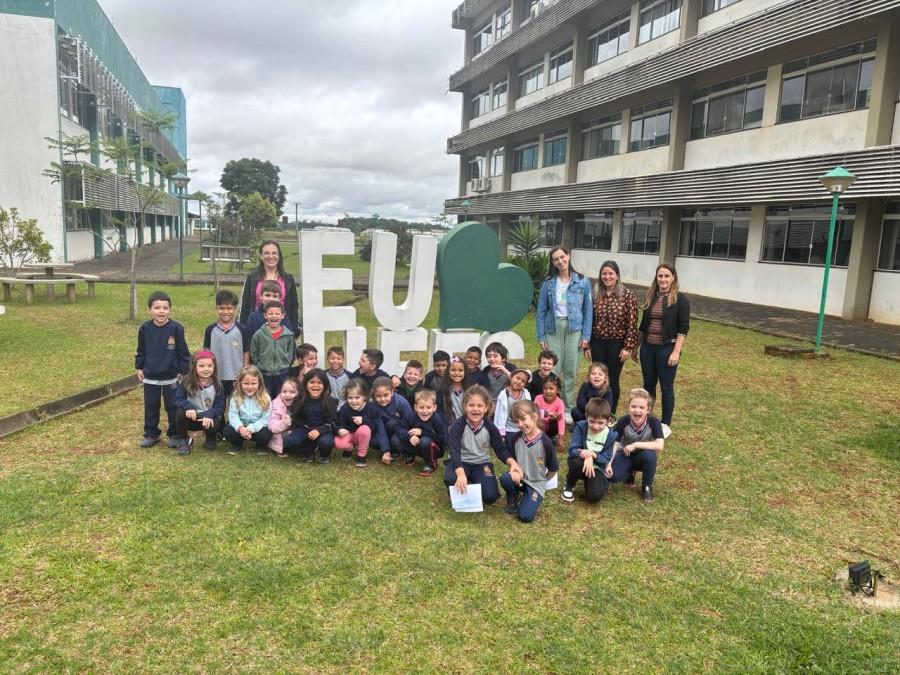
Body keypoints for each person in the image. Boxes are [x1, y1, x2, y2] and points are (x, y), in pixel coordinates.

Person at [443, 385, 521, 507]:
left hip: (481, 463)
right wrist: (461, 474)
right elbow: (454, 451)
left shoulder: (490, 427)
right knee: (451, 479)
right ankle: (461, 481)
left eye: (480, 406)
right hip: (461, 461)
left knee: (490, 497)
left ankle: (475, 479)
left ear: (486, 408)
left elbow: (500, 449)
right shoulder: (457, 426)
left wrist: (512, 463)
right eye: (471, 405)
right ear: (465, 406)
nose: (475, 409)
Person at [635, 263, 690, 433]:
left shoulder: (680, 300)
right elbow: (643, 325)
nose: (663, 279)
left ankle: (665, 424)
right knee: (648, 386)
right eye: (660, 276)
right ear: (656, 278)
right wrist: (636, 347)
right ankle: (646, 419)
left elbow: (683, 329)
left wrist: (676, 352)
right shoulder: (651, 297)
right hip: (648, 348)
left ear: (673, 278)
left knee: (666, 387)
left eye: (667, 276)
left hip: (667, 349)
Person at [536, 246, 593, 411]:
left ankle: (567, 408)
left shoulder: (582, 281)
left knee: (570, 369)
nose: (560, 261)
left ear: (568, 256)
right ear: (553, 263)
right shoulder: (548, 283)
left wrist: (586, 336)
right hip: (553, 328)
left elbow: (588, 311)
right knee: (552, 369)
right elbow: (541, 310)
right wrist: (541, 336)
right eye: (556, 259)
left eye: (562, 257)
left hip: (575, 330)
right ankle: (549, 406)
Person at [135, 290, 190, 448]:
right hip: (150, 376)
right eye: (157, 308)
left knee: (173, 406)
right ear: (149, 310)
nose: (161, 311)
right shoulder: (144, 328)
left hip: (171, 377)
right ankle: (151, 433)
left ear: (170, 310)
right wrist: (139, 366)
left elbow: (183, 352)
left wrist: (183, 370)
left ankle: (174, 434)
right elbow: (141, 350)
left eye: (165, 308)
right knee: (151, 406)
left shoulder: (176, 328)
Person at [587, 260, 638, 415]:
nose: (607, 277)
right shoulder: (595, 294)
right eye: (604, 273)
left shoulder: (627, 295)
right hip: (597, 341)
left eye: (611, 273)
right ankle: (597, 412)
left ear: (617, 275)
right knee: (598, 377)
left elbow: (632, 322)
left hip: (617, 342)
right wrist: (587, 345)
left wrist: (628, 347)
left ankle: (611, 413)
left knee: (612, 378)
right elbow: (588, 319)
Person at [501, 400, 558, 523]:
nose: (520, 424)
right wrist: (515, 471)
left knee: (525, 516)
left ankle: (531, 499)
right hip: (520, 479)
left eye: (523, 419)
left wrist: (542, 482)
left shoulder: (546, 442)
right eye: (516, 421)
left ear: (534, 417)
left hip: (535, 483)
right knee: (505, 479)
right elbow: (514, 460)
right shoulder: (515, 438)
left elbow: (553, 469)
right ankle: (514, 496)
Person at [608, 388, 665, 503]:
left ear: (648, 410)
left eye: (642, 407)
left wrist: (636, 444)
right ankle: (629, 473)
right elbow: (615, 444)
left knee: (649, 456)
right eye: (633, 406)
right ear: (629, 407)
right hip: (625, 454)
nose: (637, 410)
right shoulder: (623, 421)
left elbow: (660, 445)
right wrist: (608, 463)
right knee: (614, 477)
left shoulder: (653, 422)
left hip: (642, 455)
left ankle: (647, 486)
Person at [561, 398, 618, 504]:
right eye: (592, 421)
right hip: (580, 462)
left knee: (594, 496)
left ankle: (592, 481)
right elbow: (573, 450)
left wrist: (593, 455)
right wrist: (587, 456)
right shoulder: (580, 426)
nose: (596, 426)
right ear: (586, 416)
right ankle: (569, 485)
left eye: (601, 423)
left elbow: (606, 458)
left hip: (597, 467)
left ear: (608, 420)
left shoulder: (610, 435)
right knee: (576, 462)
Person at [238, 240, 300, 334]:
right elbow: (245, 305)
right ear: (261, 256)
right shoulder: (252, 277)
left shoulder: (288, 279)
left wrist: (294, 330)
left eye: (274, 253)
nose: (271, 256)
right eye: (266, 253)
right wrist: (243, 329)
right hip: (256, 327)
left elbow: (293, 307)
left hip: (281, 329)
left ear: (279, 256)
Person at [203, 289, 251, 407]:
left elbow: (246, 352)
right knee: (217, 406)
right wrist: (207, 372)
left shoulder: (242, 329)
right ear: (216, 308)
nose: (225, 312)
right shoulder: (210, 330)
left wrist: (244, 372)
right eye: (222, 308)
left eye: (229, 308)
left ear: (235, 309)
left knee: (236, 406)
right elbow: (206, 352)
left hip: (236, 376)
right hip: (216, 376)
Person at [173, 350, 225, 455]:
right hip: (192, 417)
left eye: (210, 366)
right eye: (201, 366)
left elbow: (220, 406)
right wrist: (188, 407)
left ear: (214, 367)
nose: (206, 369)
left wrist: (210, 414)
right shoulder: (186, 381)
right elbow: (178, 399)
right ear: (194, 367)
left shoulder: (218, 384)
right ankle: (184, 439)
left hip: (207, 419)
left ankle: (210, 438)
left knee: (217, 418)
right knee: (180, 413)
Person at [283, 369, 337, 463]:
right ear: (305, 384)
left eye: (319, 383)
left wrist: (319, 430)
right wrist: (292, 429)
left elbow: (332, 422)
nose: (315, 385)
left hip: (323, 430)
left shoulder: (331, 402)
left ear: (325, 385)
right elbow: (296, 417)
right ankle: (309, 450)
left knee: (326, 442)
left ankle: (324, 455)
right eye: (312, 382)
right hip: (305, 429)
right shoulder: (299, 400)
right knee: (288, 441)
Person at [392, 389, 447, 476]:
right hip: (415, 444)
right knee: (395, 439)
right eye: (421, 407)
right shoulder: (410, 416)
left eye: (428, 407)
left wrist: (422, 432)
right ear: (415, 407)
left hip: (434, 448)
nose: (425, 411)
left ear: (434, 407)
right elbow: (399, 429)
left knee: (425, 441)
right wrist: (409, 437)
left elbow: (443, 440)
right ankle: (410, 455)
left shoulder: (438, 420)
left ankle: (431, 464)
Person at [335, 379, 389, 467]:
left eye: (357, 397)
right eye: (350, 398)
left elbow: (376, 425)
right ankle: (349, 449)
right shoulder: (345, 408)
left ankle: (361, 455)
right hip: (350, 435)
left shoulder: (371, 408)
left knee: (365, 429)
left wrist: (364, 420)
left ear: (364, 396)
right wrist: (339, 429)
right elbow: (338, 423)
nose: (353, 401)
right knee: (338, 442)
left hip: (364, 436)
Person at [250, 301, 296, 398]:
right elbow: (254, 352)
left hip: (282, 374)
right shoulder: (259, 334)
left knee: (281, 399)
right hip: (264, 374)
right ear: (265, 315)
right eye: (270, 313)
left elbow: (291, 352)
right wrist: (260, 365)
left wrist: (286, 364)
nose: (274, 316)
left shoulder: (288, 334)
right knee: (265, 399)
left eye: (277, 314)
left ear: (283, 315)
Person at [223, 365, 272, 455]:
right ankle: (237, 444)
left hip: (257, 428)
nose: (250, 387)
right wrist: (241, 428)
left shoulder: (266, 398)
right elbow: (233, 415)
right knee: (227, 430)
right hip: (240, 427)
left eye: (253, 383)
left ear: (259, 383)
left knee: (266, 433)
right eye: (246, 383)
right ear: (240, 384)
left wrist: (251, 428)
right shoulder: (235, 397)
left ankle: (260, 446)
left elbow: (265, 419)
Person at [370, 376, 413, 465]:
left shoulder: (401, 402)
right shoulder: (373, 405)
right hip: (384, 430)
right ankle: (387, 448)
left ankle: (397, 450)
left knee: (392, 426)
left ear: (392, 392)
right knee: (373, 442)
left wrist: (407, 437)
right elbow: (379, 427)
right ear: (373, 394)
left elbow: (410, 422)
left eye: (386, 395)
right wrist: (385, 450)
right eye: (378, 396)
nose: (382, 399)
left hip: (400, 431)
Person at [492, 368, 532, 437]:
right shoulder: (503, 395)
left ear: (525, 385)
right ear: (511, 377)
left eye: (523, 381)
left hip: (523, 428)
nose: (519, 382)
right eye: (517, 378)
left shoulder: (526, 394)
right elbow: (499, 415)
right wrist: (501, 433)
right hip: (509, 429)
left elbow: (529, 410)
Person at [267, 377, 300, 458]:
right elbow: (272, 427)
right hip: (279, 435)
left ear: (298, 393)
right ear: (280, 392)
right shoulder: (276, 405)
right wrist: (284, 423)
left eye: (292, 392)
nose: (287, 395)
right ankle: (278, 448)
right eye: (284, 391)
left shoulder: (300, 403)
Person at [534, 374, 565, 453]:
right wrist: (547, 415)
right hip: (539, 426)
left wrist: (561, 439)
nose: (548, 391)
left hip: (550, 427)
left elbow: (561, 421)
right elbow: (535, 413)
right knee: (539, 421)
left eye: (551, 388)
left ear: (558, 390)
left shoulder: (560, 402)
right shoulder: (538, 398)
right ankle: (540, 439)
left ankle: (549, 437)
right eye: (545, 388)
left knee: (560, 418)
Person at [436, 357, 468, 427]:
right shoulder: (442, 390)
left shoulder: (470, 389)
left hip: (467, 426)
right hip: (448, 426)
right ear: (448, 372)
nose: (457, 373)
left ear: (465, 372)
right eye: (453, 370)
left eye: (460, 370)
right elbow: (439, 411)